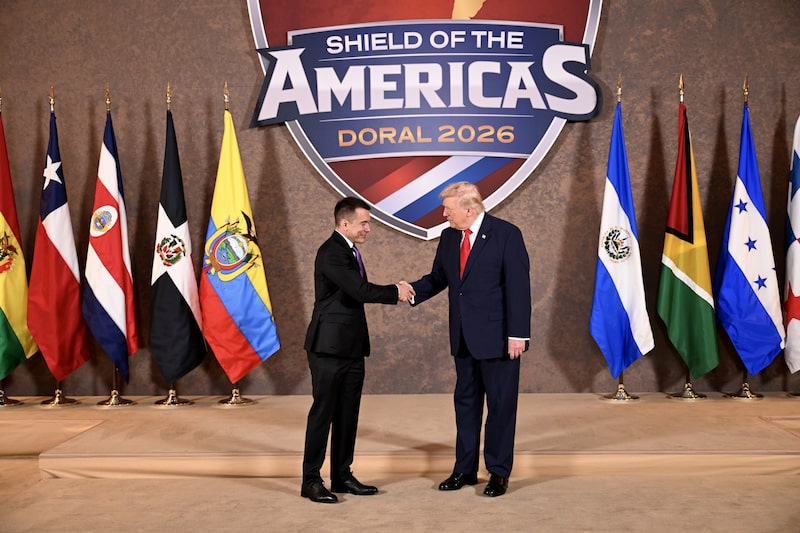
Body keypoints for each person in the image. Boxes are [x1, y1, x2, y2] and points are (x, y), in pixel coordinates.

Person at [408, 181, 530, 497]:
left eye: (448, 208)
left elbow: (518, 287)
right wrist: (408, 291)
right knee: (466, 405)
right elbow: (438, 279)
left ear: (469, 209)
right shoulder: (449, 238)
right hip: (463, 338)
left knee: (501, 406)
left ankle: (498, 473)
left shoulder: (506, 234)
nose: (444, 213)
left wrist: (518, 335)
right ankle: (464, 470)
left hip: (500, 339)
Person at [301, 196, 414, 504]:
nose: (369, 228)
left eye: (369, 223)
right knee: (323, 414)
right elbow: (359, 291)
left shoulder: (349, 251)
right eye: (364, 223)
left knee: (348, 414)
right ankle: (311, 481)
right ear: (345, 223)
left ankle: (342, 475)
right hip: (327, 348)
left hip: (351, 348)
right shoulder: (331, 253)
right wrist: (396, 292)